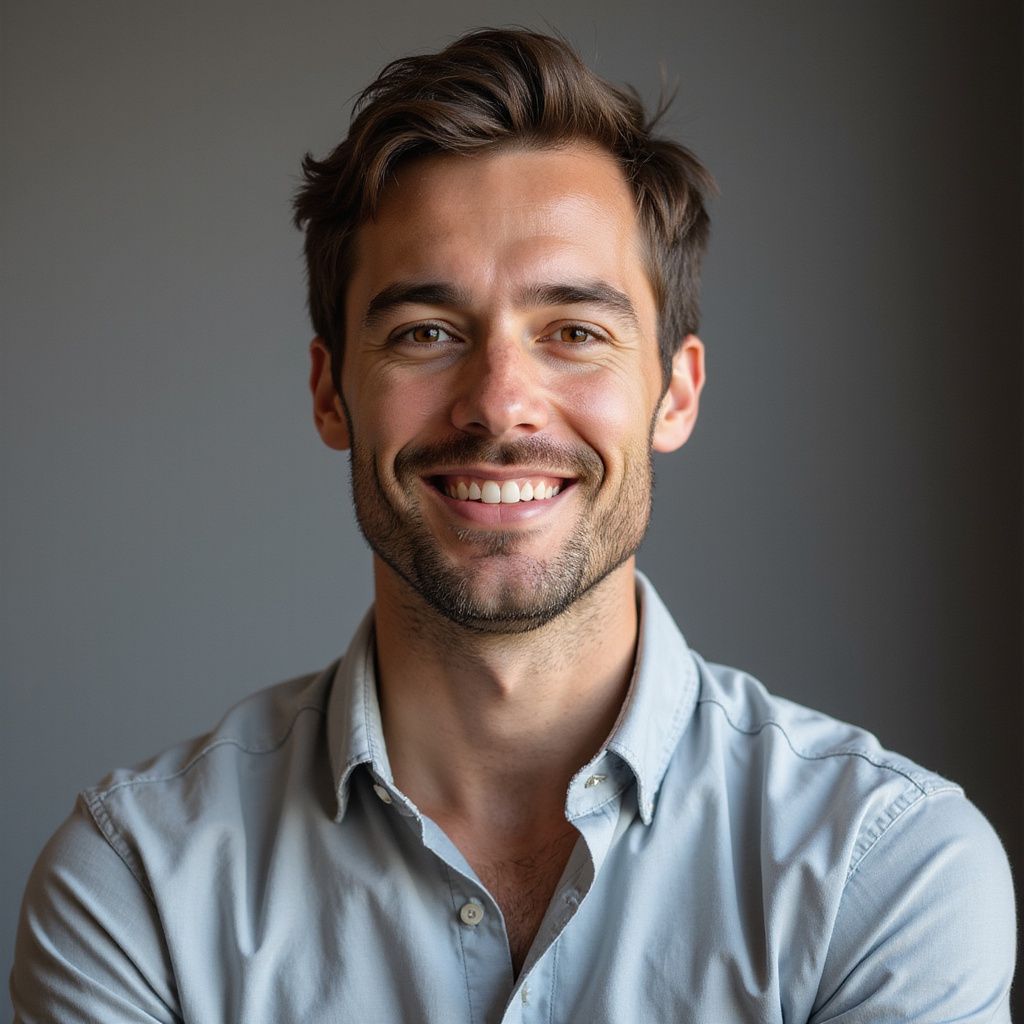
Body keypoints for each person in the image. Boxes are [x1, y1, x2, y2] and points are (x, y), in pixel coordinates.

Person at [11, 27, 1015, 1023]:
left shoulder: (883, 870)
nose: (499, 404)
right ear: (329, 392)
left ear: (675, 393)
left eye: (573, 331)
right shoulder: (138, 886)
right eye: (426, 332)